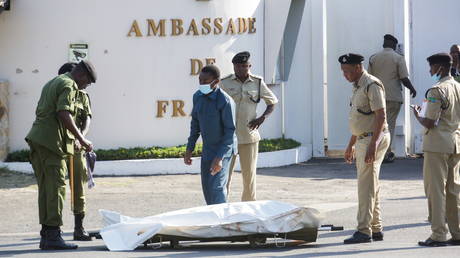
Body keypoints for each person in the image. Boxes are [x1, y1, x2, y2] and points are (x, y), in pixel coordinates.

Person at [26, 60, 97, 250]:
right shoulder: (68, 84)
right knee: (56, 187)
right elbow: (63, 113)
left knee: (47, 188)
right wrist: (82, 139)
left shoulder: (53, 82)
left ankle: (47, 233)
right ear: (82, 76)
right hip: (51, 143)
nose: (85, 87)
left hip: (39, 139)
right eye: (87, 82)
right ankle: (52, 236)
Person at [339, 53, 390, 244]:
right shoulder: (358, 86)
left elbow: (381, 116)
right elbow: (362, 117)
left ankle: (363, 230)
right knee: (371, 184)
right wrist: (350, 144)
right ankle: (375, 228)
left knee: (365, 186)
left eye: (347, 71)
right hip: (364, 138)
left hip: (372, 139)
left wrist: (373, 145)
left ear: (358, 67)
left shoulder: (371, 85)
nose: (345, 75)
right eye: (343, 71)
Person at [412, 53, 460, 247]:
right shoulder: (457, 86)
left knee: (436, 191)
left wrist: (417, 116)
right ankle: (457, 233)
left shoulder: (436, 91)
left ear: (439, 68)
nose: (430, 71)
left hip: (437, 145)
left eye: (431, 68)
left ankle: (438, 234)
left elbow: (430, 122)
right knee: (453, 190)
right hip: (455, 143)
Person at [220, 51, 278, 201]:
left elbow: (272, 101)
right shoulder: (225, 83)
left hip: (249, 135)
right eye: (238, 66)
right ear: (233, 67)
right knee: (224, 175)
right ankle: (222, 205)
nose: (241, 69)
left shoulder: (257, 82)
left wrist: (262, 118)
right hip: (228, 137)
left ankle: (248, 207)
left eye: (244, 66)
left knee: (249, 176)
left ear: (249, 66)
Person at [184, 64, 237, 205]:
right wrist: (189, 149)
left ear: (216, 82)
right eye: (200, 80)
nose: (201, 84)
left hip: (223, 150)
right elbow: (195, 124)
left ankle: (222, 221)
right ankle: (212, 218)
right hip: (208, 149)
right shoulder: (197, 97)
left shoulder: (225, 101)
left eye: (205, 81)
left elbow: (230, 132)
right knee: (207, 187)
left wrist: (219, 158)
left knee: (217, 187)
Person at [58, 63, 93, 241]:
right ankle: (54, 229)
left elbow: (87, 117)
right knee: (57, 187)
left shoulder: (83, 96)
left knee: (78, 187)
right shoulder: (59, 91)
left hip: (76, 146)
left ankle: (79, 228)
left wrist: (82, 138)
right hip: (57, 144)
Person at [368, 34, 416, 163]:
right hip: (393, 97)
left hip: (376, 97)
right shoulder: (398, 58)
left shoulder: (374, 58)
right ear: (394, 45)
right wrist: (412, 88)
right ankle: (384, 153)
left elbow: (369, 79)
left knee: (376, 124)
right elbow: (404, 78)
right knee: (388, 125)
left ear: (384, 44)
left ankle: (376, 151)